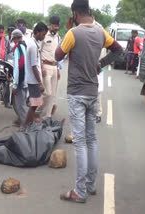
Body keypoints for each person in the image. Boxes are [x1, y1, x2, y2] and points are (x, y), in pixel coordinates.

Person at [55, 0, 122, 203]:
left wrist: (69, 30)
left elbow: (58, 54)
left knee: (80, 143)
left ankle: (80, 191)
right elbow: (118, 50)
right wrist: (100, 64)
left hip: (77, 93)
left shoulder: (73, 33)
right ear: (89, 11)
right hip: (93, 93)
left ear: (75, 13)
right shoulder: (101, 32)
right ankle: (91, 185)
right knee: (92, 140)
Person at [22, 22, 48, 130]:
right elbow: (33, 66)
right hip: (33, 81)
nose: (43, 37)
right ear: (37, 32)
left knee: (35, 103)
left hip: (33, 80)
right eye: (42, 34)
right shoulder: (32, 46)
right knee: (34, 105)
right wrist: (40, 83)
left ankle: (28, 124)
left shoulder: (34, 43)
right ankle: (25, 126)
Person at [38, 16, 61, 120]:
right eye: (55, 25)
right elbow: (38, 52)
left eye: (57, 25)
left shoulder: (58, 37)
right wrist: (41, 67)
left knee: (53, 94)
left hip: (55, 67)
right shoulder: (44, 36)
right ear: (50, 25)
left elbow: (57, 54)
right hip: (45, 66)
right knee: (47, 93)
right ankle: (37, 111)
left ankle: (47, 116)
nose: (56, 27)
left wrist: (58, 69)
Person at [12, 29, 28, 126]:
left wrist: (15, 84)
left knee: (20, 105)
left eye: (14, 39)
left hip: (21, 81)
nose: (14, 41)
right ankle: (26, 124)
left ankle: (25, 125)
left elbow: (18, 68)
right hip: (26, 80)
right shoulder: (25, 46)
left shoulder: (18, 48)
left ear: (16, 38)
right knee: (23, 104)